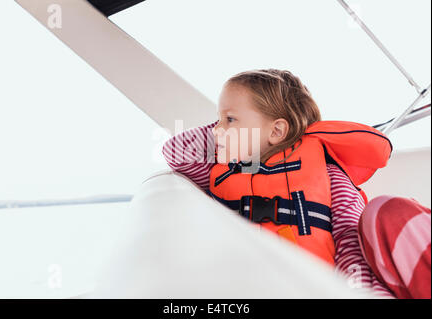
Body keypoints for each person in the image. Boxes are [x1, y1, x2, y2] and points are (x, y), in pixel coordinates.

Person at [162, 69, 430, 298]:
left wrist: (354, 291)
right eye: (217, 119)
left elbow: (349, 237)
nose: (217, 130)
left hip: (320, 286)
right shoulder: (226, 171)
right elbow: (176, 151)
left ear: (277, 131)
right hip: (247, 286)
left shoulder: (328, 175)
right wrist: (226, 123)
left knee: (385, 211)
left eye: (230, 119)